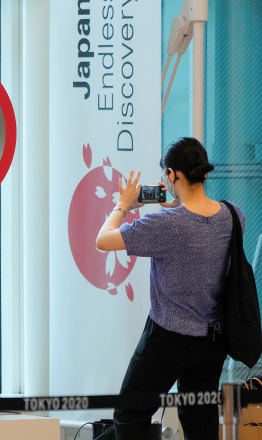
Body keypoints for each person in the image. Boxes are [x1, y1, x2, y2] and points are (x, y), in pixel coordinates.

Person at [95, 137, 234, 439]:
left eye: (164, 175)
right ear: (203, 173)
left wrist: (123, 204)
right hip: (213, 339)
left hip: (167, 339)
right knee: (200, 419)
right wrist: (181, 203)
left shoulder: (166, 225)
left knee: (130, 414)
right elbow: (200, 223)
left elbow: (103, 240)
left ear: (173, 175)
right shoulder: (233, 216)